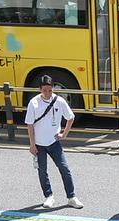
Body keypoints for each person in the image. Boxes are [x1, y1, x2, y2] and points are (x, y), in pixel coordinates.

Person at [25, 74, 81, 210]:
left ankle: (71, 197)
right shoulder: (34, 103)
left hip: (54, 142)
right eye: (45, 90)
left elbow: (70, 117)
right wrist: (32, 144)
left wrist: (64, 134)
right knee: (42, 171)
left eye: (50, 90)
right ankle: (49, 196)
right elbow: (30, 125)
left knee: (64, 168)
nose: (48, 93)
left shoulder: (59, 101)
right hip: (39, 144)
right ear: (40, 89)